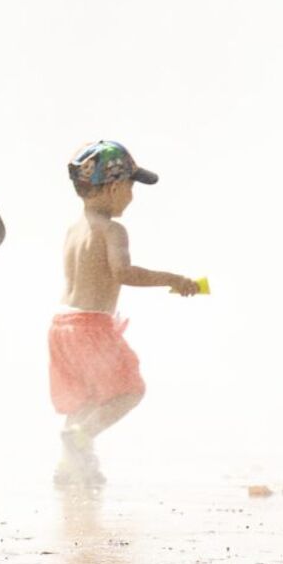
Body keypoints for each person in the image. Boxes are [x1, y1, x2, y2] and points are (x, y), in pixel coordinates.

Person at [51, 141, 196, 486]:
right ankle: (80, 439)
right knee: (129, 390)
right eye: (131, 186)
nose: (132, 196)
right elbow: (122, 273)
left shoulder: (75, 230)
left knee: (85, 397)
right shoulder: (113, 230)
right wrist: (172, 279)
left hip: (61, 325)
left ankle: (69, 466)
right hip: (91, 325)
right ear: (114, 186)